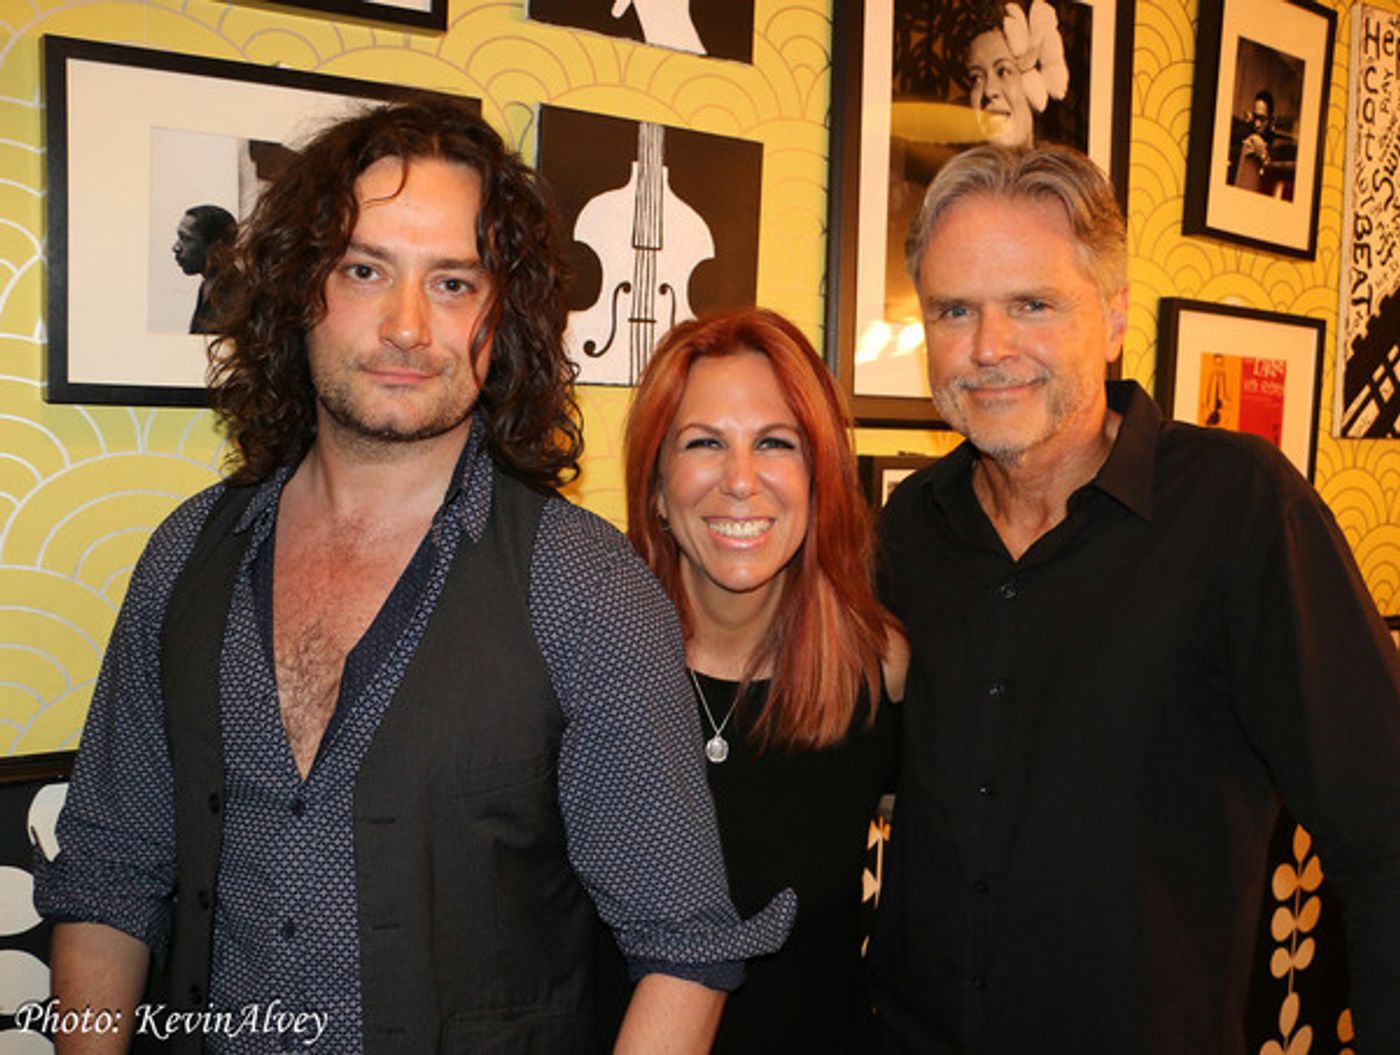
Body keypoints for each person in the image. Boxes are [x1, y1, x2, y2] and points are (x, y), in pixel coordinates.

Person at [34, 97, 793, 1054]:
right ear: (298, 288)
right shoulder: (188, 552)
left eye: (453, 284)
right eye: (365, 269)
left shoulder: (588, 591)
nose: (405, 327)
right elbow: (109, 870)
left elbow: (681, 948)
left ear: (501, 316)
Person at [871, 143, 1400, 1053]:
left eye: (1032, 305)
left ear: (1113, 318)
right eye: (955, 310)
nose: (989, 348)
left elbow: (1384, 831)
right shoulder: (907, 528)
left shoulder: (1240, 510)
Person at [604, 308, 907, 1052]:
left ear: (820, 477)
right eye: (705, 443)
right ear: (654, 485)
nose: (741, 480)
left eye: (775, 442)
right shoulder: (588, 667)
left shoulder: (878, 665)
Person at [171, 204, 237, 334]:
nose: (175, 247)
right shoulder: (209, 285)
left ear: (216, 247)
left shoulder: (232, 296)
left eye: (186, 238)